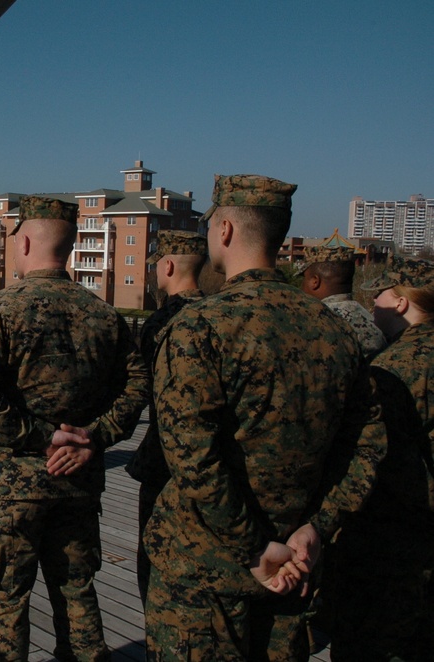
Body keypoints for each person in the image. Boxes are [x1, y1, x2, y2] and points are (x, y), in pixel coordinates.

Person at [144, 174, 386, 660]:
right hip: (296, 566)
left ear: (226, 230)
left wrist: (255, 549)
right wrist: (316, 526)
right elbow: (367, 446)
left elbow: (193, 459)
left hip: (204, 576)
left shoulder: (200, 327)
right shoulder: (336, 330)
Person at [0, 196, 149, 661]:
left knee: (1, 602)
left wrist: (44, 437)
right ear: (72, 245)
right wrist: (94, 436)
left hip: (11, 489)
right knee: (77, 594)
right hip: (77, 484)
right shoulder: (104, 316)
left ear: (22, 241)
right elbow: (139, 382)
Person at [323, 255, 434, 661]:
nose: (374, 305)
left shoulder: (394, 369)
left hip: (392, 548)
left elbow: (372, 458)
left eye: (382, 295)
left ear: (402, 302)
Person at [125, 229, 206, 605]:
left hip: (164, 460)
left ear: (168, 265)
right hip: (211, 462)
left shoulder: (163, 322)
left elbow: (141, 387)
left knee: (154, 558)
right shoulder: (216, 314)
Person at [298, 244, 387, 360]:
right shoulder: (373, 322)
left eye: (304, 278)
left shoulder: (311, 322)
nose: (302, 286)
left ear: (315, 281)